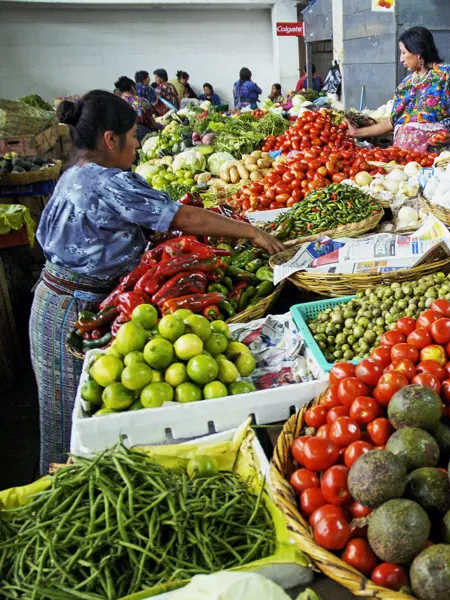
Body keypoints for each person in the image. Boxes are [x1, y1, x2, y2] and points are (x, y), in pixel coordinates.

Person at [30, 91, 283, 474]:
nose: (136, 147)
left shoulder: (73, 175)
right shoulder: (107, 181)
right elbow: (183, 218)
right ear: (110, 139)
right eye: (133, 138)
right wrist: (247, 232)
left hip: (53, 302)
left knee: (65, 417)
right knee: (80, 428)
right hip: (75, 309)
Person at [346, 26, 450, 153]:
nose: (401, 59)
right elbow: (392, 122)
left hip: (440, 159)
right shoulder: (405, 85)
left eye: (404, 52)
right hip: (406, 160)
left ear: (418, 53)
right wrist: (356, 132)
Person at [114, 75, 162, 142]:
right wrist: (160, 127)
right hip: (143, 133)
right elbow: (150, 120)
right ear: (132, 87)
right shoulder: (141, 101)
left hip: (125, 137)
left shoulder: (117, 103)